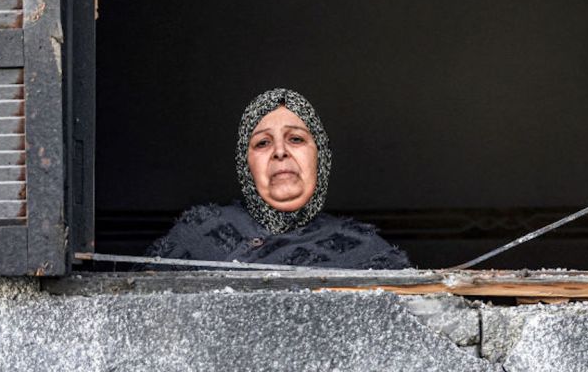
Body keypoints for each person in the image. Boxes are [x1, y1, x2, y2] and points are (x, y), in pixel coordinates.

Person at [146, 88, 411, 269]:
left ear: (320, 156)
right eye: (262, 143)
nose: (280, 152)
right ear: (245, 164)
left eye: (296, 139)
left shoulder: (366, 252)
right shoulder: (200, 230)